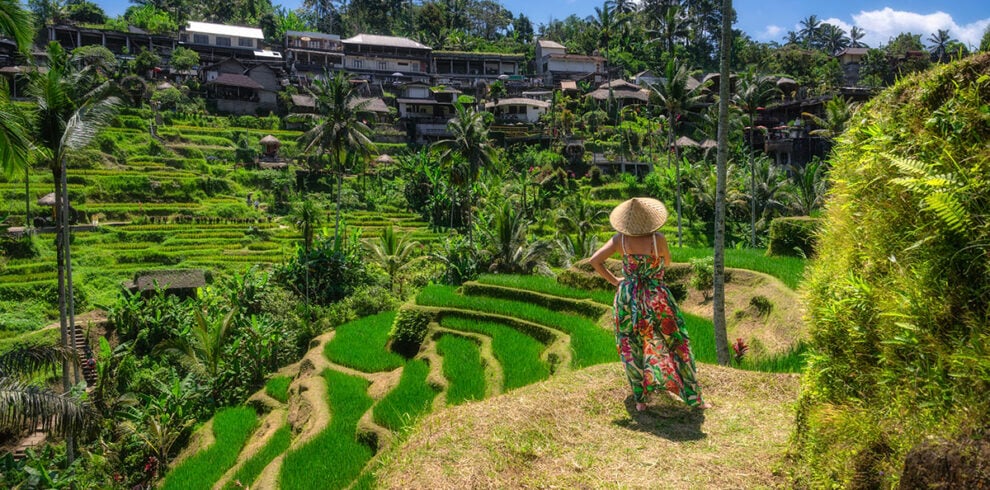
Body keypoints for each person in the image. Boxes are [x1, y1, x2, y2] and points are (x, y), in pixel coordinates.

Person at [589, 197, 710, 412]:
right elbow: (668, 261)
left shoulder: (620, 240)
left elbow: (595, 261)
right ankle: (693, 397)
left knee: (631, 344)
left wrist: (616, 281)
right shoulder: (658, 239)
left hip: (629, 298)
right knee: (675, 342)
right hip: (656, 297)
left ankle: (640, 400)